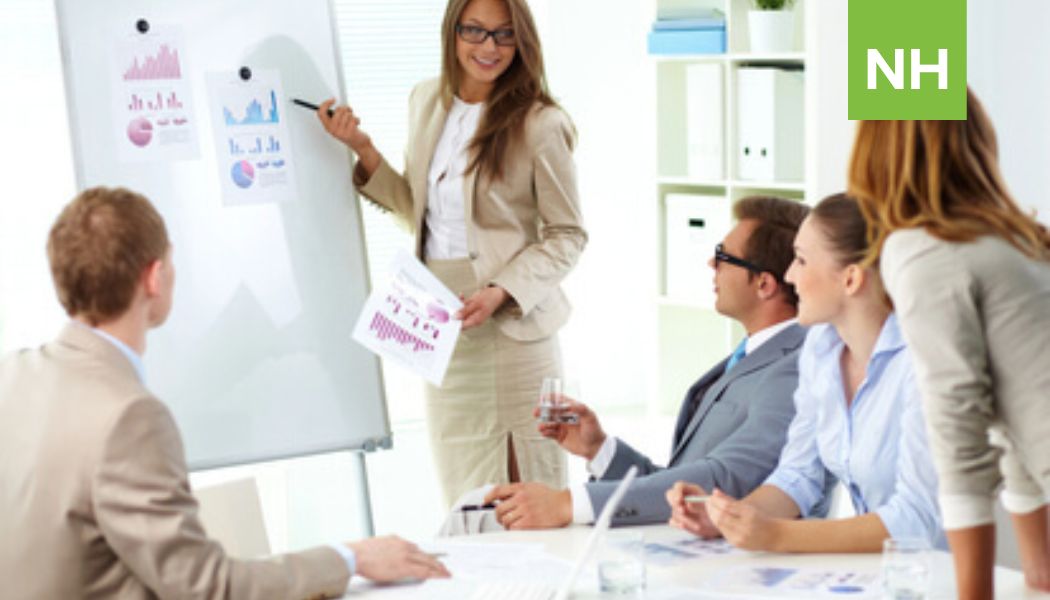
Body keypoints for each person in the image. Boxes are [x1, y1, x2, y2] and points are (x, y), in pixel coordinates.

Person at [0, 188, 448, 599]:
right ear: (154, 277)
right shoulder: (129, 416)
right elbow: (207, 587)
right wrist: (351, 557)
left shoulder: (12, 375)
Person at [315, 0, 585, 507]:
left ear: (522, 40)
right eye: (475, 32)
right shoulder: (426, 101)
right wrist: (364, 151)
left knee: (521, 496)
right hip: (442, 326)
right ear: (452, 31)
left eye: (504, 35)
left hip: (511, 331)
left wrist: (500, 290)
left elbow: (568, 234)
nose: (489, 48)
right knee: (463, 499)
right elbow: (421, 215)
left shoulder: (541, 122)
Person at [480, 196, 809, 529]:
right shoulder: (752, 357)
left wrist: (570, 504)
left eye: (723, 256)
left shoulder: (795, 369)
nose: (712, 263)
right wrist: (600, 449)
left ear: (764, 284)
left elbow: (727, 477)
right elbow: (678, 489)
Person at [849, 88, 1050, 598]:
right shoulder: (1022, 239)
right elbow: (1015, 418)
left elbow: (960, 427)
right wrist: (1040, 569)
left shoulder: (922, 251)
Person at [667, 194, 945, 553]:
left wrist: (777, 535)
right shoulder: (821, 349)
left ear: (850, 279)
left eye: (801, 260)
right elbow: (798, 475)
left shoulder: (921, 363)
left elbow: (915, 518)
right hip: (877, 572)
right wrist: (724, 517)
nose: (788, 275)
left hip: (943, 577)